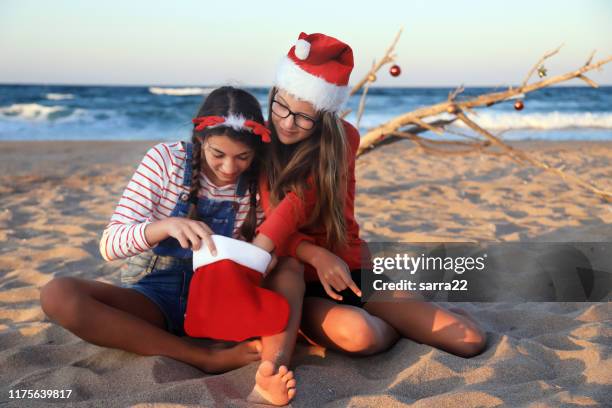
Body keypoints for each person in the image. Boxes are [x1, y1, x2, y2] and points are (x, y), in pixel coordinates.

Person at [39, 86, 301, 400]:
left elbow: (271, 244)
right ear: (201, 138)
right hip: (156, 295)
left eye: (242, 157)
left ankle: (270, 370)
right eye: (218, 154)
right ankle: (200, 356)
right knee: (58, 295)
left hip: (220, 299)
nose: (230, 168)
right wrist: (165, 226)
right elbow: (110, 246)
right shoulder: (167, 160)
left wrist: (263, 257)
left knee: (289, 267)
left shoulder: (260, 176)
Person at [252, 32, 487, 377]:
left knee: (469, 340)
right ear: (274, 95)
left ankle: (404, 316)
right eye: (281, 107)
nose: (288, 122)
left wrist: (331, 258)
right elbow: (276, 221)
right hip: (297, 281)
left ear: (324, 117)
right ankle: (382, 323)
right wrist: (315, 255)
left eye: (304, 117)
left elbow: (304, 197)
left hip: (351, 270)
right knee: (360, 335)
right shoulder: (261, 142)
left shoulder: (343, 139)